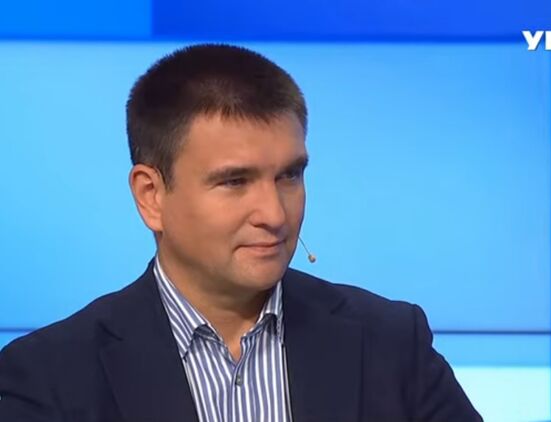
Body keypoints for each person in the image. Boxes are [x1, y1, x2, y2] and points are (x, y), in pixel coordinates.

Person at [0, 44, 482, 422]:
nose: (274, 213)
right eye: (234, 181)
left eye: (289, 175)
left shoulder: (391, 344)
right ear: (151, 196)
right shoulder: (48, 379)